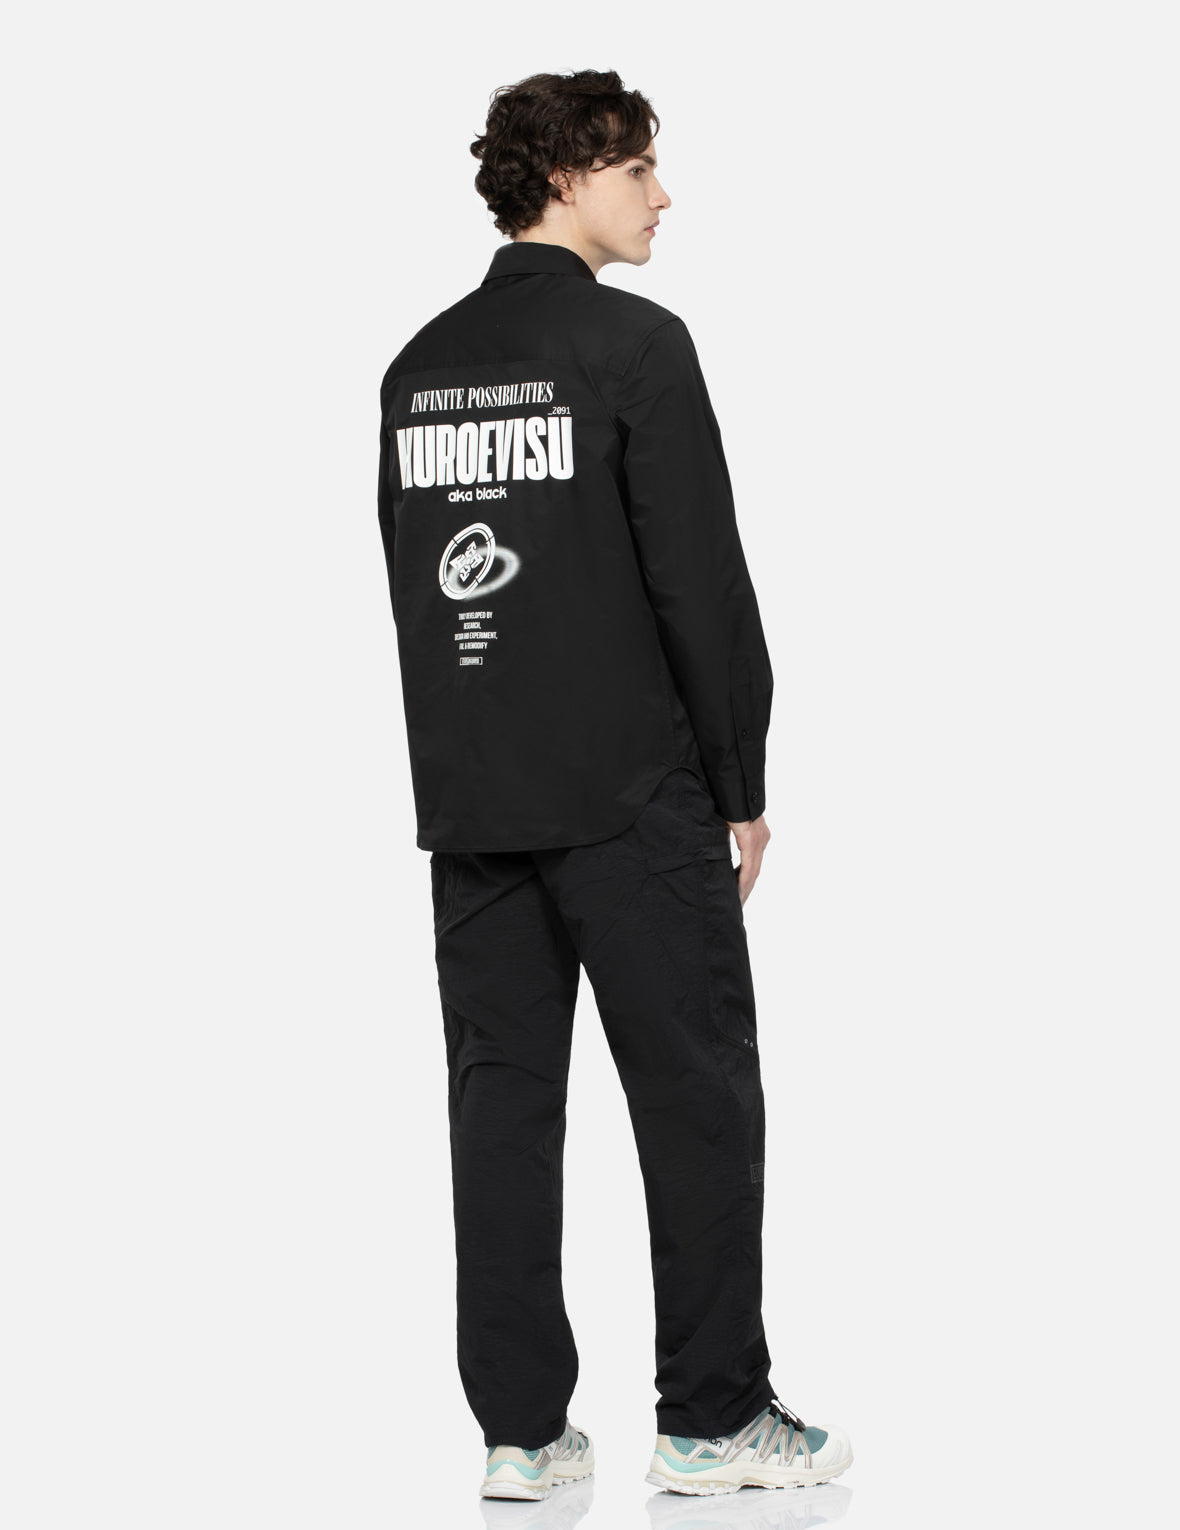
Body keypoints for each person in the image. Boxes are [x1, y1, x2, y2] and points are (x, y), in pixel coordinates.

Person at [376, 68, 853, 1501]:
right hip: (632, 796)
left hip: (475, 802)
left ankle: (520, 1434)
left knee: (500, 1111)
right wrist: (739, 779)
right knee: (698, 1099)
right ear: (569, 176)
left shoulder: (418, 370)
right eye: (640, 167)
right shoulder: (635, 345)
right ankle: (713, 1417)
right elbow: (699, 582)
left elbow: (423, 595)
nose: (662, 194)